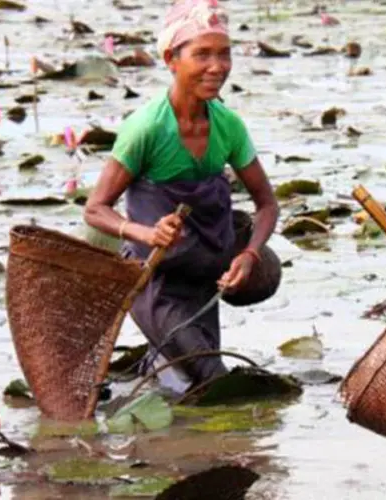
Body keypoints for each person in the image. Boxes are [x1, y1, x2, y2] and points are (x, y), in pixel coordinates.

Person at [83, 0, 281, 394]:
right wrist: (142, 233)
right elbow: (94, 209)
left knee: (186, 380)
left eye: (224, 54)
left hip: (206, 274)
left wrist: (250, 254)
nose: (217, 66)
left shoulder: (229, 126)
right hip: (154, 278)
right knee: (210, 378)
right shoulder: (147, 128)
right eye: (202, 54)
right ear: (172, 60)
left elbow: (267, 204)